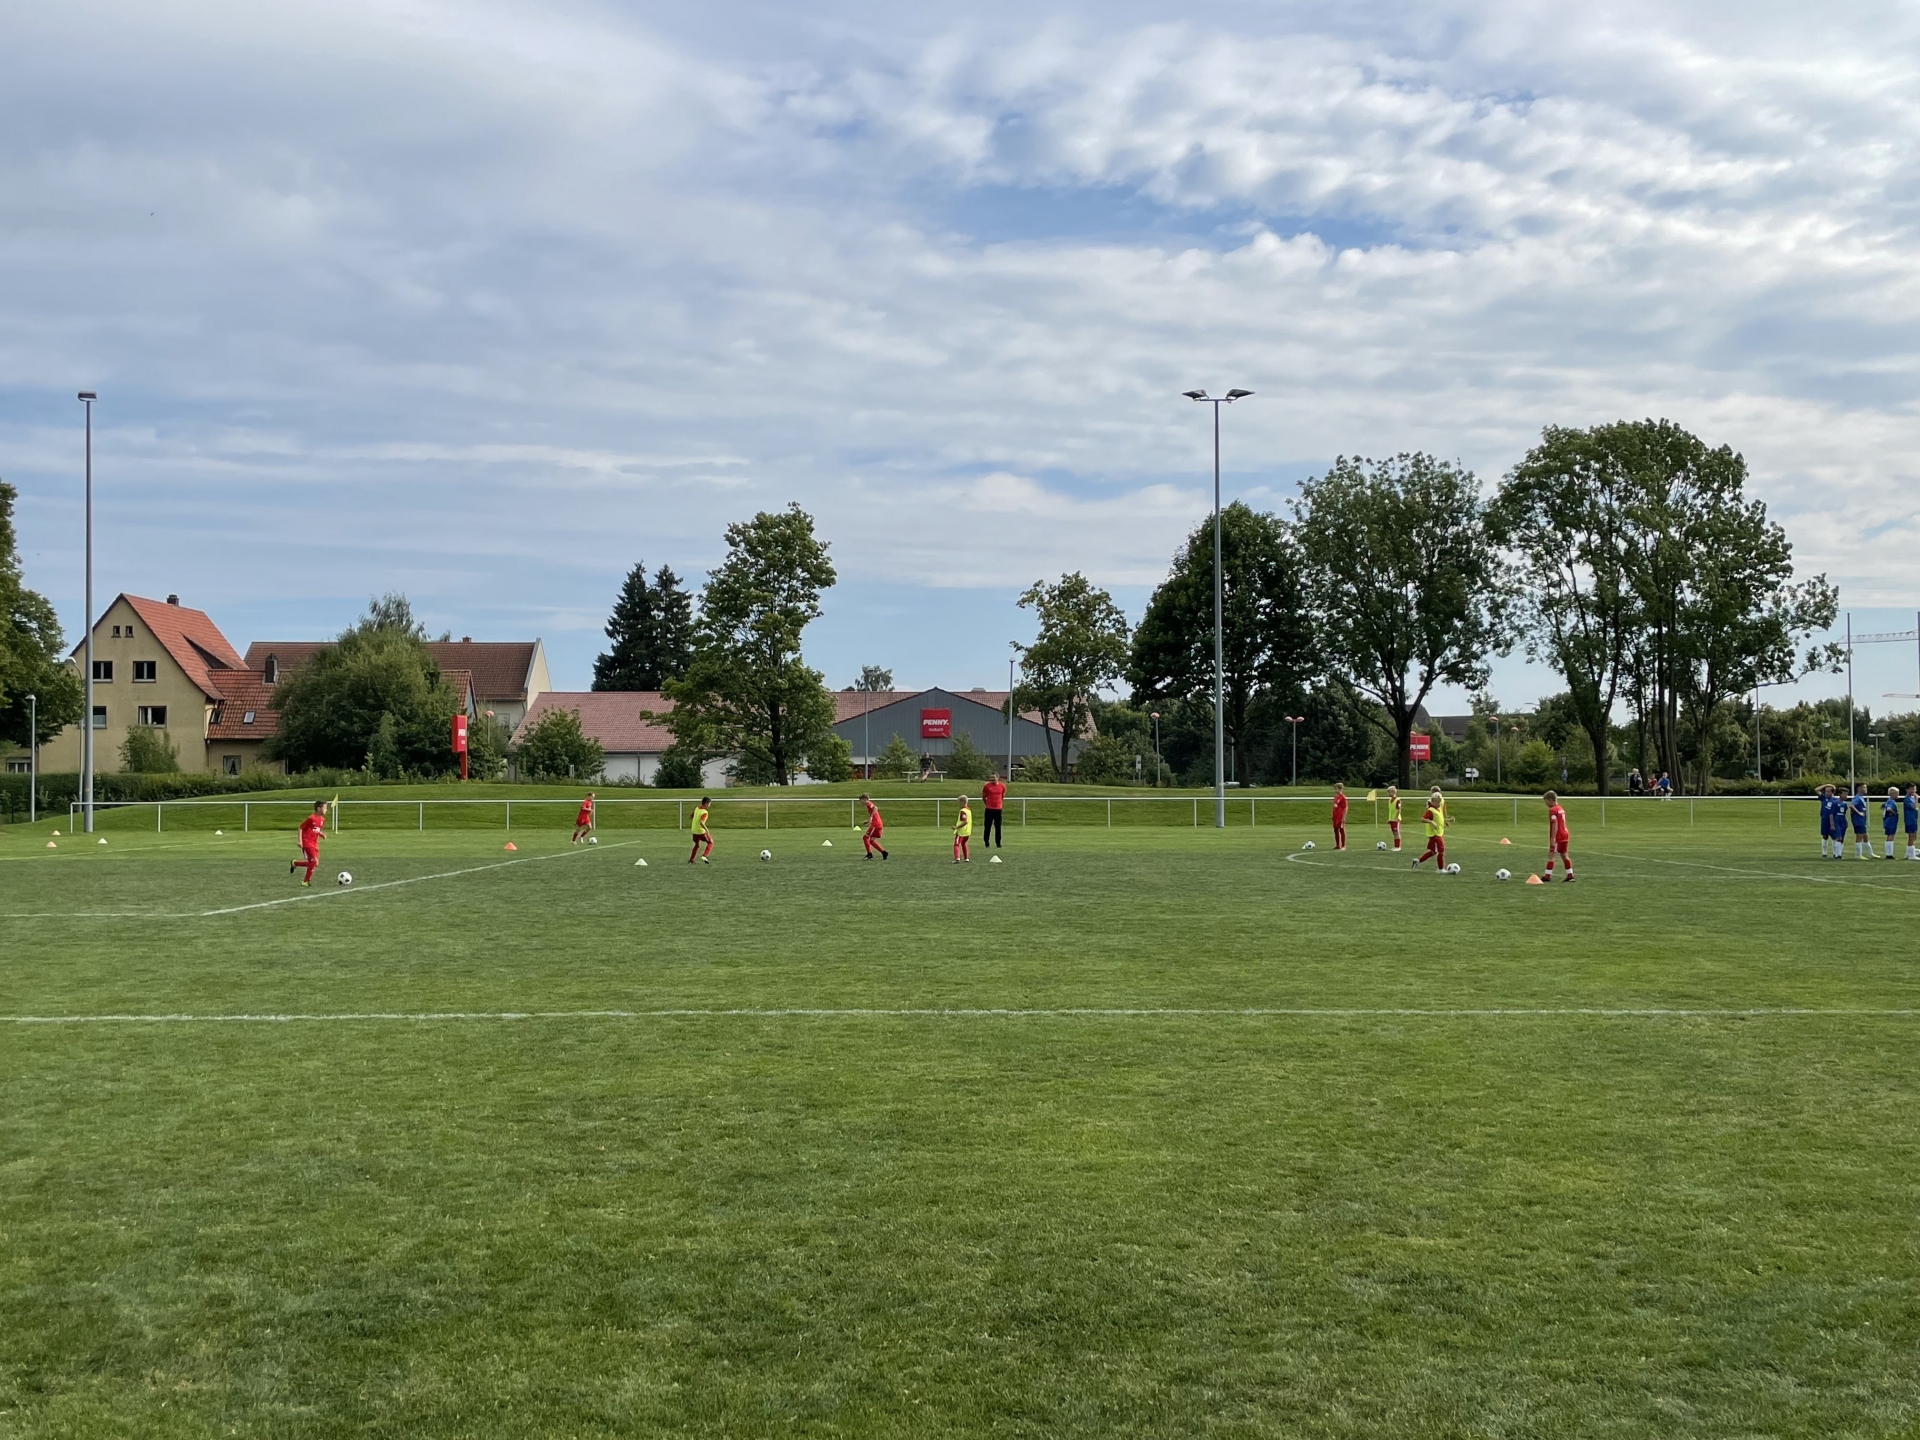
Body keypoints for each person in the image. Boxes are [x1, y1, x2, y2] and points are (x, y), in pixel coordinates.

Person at [289, 798, 332, 886]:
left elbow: (315, 830)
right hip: (307, 842)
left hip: (314, 843)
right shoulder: (311, 818)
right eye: (325, 808)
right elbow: (301, 827)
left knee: (315, 863)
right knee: (314, 861)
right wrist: (300, 841)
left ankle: (295, 863)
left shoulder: (322, 819)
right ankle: (306, 881)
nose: (326, 810)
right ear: (319, 808)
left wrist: (321, 834)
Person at [1410, 788, 1447, 871]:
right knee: (1441, 850)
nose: (1439, 803)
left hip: (1438, 833)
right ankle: (1441, 869)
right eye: (1437, 802)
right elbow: (1422, 819)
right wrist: (1431, 822)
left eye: (1440, 801)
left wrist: (1446, 821)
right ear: (1433, 801)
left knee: (1434, 852)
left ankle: (1418, 861)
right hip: (1435, 834)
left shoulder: (1438, 809)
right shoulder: (1430, 810)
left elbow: (1439, 819)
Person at [1544, 789, 1574, 882]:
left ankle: (1547, 876)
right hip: (1565, 834)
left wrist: (1553, 838)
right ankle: (1570, 875)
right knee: (1564, 855)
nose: (1546, 804)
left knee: (1551, 855)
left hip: (1558, 835)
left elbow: (1555, 824)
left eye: (1546, 801)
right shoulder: (1561, 809)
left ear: (1550, 800)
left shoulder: (1553, 810)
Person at [859, 792, 889, 860]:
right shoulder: (868, 805)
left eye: (861, 800)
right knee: (871, 841)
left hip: (876, 824)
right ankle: (884, 852)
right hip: (878, 824)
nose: (861, 802)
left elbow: (875, 808)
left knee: (865, 838)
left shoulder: (868, 803)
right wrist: (868, 821)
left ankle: (869, 854)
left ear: (865, 799)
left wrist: (871, 818)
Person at [981, 772, 1007, 848]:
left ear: (997, 778)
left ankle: (998, 843)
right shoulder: (987, 786)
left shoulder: (1002, 786)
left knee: (998, 827)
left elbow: (1002, 796)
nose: (992, 779)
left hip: (998, 809)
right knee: (987, 826)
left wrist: (998, 804)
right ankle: (986, 842)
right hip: (989, 809)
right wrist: (988, 804)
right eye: (991, 777)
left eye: (993, 777)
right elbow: (983, 797)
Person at [688, 796, 714, 864]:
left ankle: (691, 860)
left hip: (694, 831)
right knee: (710, 842)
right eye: (709, 803)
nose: (709, 805)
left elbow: (691, 816)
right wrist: (706, 829)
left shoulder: (697, 808)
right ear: (706, 803)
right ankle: (704, 855)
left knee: (696, 845)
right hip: (700, 831)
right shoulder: (704, 812)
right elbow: (701, 822)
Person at [1817, 783, 1839, 859]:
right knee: (1824, 836)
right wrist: (1826, 785)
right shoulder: (1824, 798)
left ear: (1833, 792)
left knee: (1834, 837)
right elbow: (1816, 790)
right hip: (1824, 820)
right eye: (1826, 791)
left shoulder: (1836, 801)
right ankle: (1824, 853)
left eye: (1828, 791)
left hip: (1832, 821)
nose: (1826, 793)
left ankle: (1835, 853)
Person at [1850, 782, 1870, 859]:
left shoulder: (1861, 797)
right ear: (1859, 788)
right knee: (1859, 836)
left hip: (1862, 820)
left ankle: (1870, 853)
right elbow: (1851, 806)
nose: (1865, 789)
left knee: (1865, 836)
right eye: (1864, 787)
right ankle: (1858, 855)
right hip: (1858, 820)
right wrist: (1859, 813)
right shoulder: (1857, 798)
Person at [951, 793, 972, 863]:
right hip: (967, 831)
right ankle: (966, 858)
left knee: (956, 844)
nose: (959, 804)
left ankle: (957, 858)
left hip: (961, 832)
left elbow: (965, 821)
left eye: (959, 802)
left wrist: (956, 827)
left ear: (963, 802)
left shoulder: (963, 811)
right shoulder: (969, 810)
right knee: (964, 843)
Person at [1883, 786, 1903, 860]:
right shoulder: (1891, 801)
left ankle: (1888, 853)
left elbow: (1882, 806)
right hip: (1891, 821)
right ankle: (1889, 854)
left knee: (1889, 836)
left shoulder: (1888, 801)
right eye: (1896, 794)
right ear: (1892, 794)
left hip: (1888, 821)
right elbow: (1888, 808)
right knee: (1891, 836)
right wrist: (1894, 812)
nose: (1898, 795)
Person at [1384, 784, 1402, 852]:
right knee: (1394, 833)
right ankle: (1395, 846)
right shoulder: (1390, 800)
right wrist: (1390, 819)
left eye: (1389, 792)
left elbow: (1399, 810)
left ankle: (1398, 846)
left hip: (1396, 819)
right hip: (1391, 819)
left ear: (1393, 792)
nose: (1388, 794)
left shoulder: (1398, 800)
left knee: (1396, 832)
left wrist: (1396, 818)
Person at [1330, 782, 1348, 851]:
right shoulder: (1335, 797)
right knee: (1335, 830)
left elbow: (1345, 808)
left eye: (1336, 789)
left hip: (1340, 816)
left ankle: (1343, 846)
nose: (1335, 790)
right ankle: (1337, 845)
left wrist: (1344, 817)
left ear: (1340, 789)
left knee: (1341, 830)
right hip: (1335, 816)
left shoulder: (1343, 797)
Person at [1904, 784, 1919, 860]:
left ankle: (1908, 854)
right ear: (1907, 790)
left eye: (1914, 789)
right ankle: (1912, 856)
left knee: (1914, 837)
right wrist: (1916, 799)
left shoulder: (1911, 798)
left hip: (1913, 820)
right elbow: (1914, 807)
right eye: (1911, 789)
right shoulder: (1907, 799)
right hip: (1909, 820)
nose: (1913, 791)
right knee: (1911, 836)